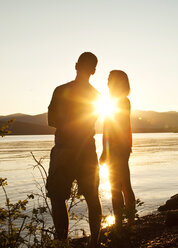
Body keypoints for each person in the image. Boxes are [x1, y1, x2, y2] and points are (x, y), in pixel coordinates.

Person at [46, 52, 102, 247]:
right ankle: (94, 242)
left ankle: (62, 242)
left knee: (58, 197)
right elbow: (89, 121)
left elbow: (51, 120)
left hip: (64, 150)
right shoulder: (96, 96)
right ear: (94, 71)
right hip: (86, 150)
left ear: (76, 65)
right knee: (92, 197)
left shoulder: (61, 90)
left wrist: (66, 120)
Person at [100, 70, 136, 229]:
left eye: (109, 79)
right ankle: (124, 222)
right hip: (121, 147)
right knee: (121, 185)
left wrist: (105, 151)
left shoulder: (120, 101)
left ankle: (123, 223)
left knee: (118, 186)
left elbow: (111, 128)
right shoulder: (118, 101)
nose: (107, 82)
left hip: (117, 148)